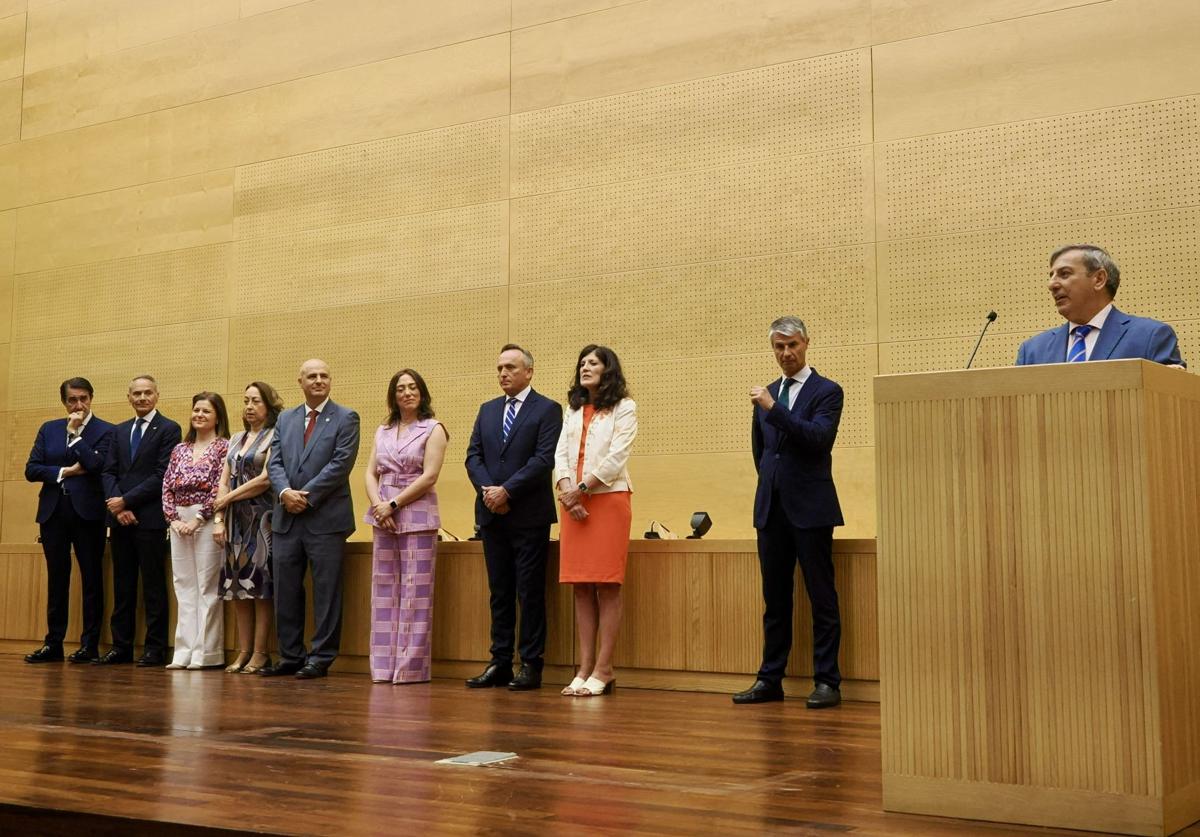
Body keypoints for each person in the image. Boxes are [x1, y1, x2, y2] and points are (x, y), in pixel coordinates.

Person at [734, 316, 845, 709]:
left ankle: (828, 681)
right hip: (772, 510)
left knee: (821, 597)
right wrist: (771, 485)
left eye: (792, 345)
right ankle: (770, 678)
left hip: (811, 509)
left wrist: (772, 408)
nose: (786, 353)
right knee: (775, 599)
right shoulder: (767, 394)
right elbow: (761, 453)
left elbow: (817, 439)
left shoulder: (827, 390)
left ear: (806, 343)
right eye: (779, 347)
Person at [465, 345, 562, 691]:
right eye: (500, 368)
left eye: (510, 367)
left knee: (529, 592)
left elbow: (543, 459)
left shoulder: (548, 409)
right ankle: (500, 661)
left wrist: (507, 491)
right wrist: (489, 492)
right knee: (499, 591)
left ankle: (532, 664)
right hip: (492, 514)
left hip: (528, 515)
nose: (503, 373)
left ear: (529, 372)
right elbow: (473, 456)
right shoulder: (488, 409)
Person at [263, 359, 361, 680]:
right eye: (312, 376)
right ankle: (291, 655)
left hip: (325, 518)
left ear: (330, 381)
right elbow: (274, 463)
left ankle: (321, 657)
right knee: (286, 590)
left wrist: (303, 496)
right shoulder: (286, 419)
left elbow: (340, 464)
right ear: (300, 381)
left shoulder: (346, 417)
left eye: (324, 375)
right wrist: (284, 493)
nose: (319, 380)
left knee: (326, 591)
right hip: (286, 518)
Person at [554, 345, 637, 697]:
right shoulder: (572, 409)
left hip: (607, 499)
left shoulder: (625, 407)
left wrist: (583, 489)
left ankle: (604, 668)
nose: (585, 367)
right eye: (582, 363)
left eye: (593, 363)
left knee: (606, 583)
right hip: (572, 502)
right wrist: (566, 489)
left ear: (608, 369)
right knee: (581, 585)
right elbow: (560, 453)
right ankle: (584, 667)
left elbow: (618, 454)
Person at [363, 369, 448, 684]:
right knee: (384, 591)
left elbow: (429, 476)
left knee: (415, 593)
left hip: (416, 516)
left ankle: (410, 668)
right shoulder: (383, 429)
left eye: (413, 387)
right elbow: (370, 473)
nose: (407, 392)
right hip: (382, 516)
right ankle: (383, 668)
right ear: (393, 395)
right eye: (401, 388)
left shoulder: (433, 428)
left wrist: (394, 504)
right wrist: (378, 505)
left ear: (422, 393)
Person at [23, 377, 114, 664]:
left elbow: (98, 465)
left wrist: (74, 435)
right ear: (64, 401)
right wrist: (65, 472)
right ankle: (53, 644)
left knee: (91, 579)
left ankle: (89, 645)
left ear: (91, 398)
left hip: (88, 514)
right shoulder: (48, 429)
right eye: (73, 400)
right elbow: (31, 469)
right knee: (57, 579)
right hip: (53, 512)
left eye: (84, 398)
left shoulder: (106, 431)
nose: (78, 405)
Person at [100, 375, 182, 667]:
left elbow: (162, 475)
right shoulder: (119, 431)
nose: (143, 398)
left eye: (148, 393)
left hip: (150, 519)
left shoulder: (169, 429)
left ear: (157, 395)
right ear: (129, 397)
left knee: (153, 586)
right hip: (120, 519)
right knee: (122, 586)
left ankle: (155, 648)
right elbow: (108, 472)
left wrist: (127, 500)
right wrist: (117, 506)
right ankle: (121, 647)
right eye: (137, 394)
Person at [1016, 244, 1185, 366]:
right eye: (1051, 275)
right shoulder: (1032, 351)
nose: (1052, 284)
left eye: (1064, 274)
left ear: (1099, 279)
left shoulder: (1150, 337)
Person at [213, 382, 284, 674]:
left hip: (261, 520)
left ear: (268, 405)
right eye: (246, 401)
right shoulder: (236, 439)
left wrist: (225, 499)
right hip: (234, 523)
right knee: (238, 588)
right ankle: (243, 651)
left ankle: (261, 652)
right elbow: (223, 478)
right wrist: (219, 517)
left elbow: (266, 479)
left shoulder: (275, 436)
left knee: (260, 588)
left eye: (256, 401)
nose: (249, 406)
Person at [163, 392, 230, 670]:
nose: (199, 415)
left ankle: (206, 652)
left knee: (207, 586)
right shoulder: (180, 448)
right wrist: (173, 519)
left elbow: (219, 486)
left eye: (206, 411)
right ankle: (183, 651)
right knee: (184, 586)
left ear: (217, 417)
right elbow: (166, 484)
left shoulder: (223, 447)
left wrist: (199, 518)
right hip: (179, 520)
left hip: (207, 519)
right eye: (196, 410)